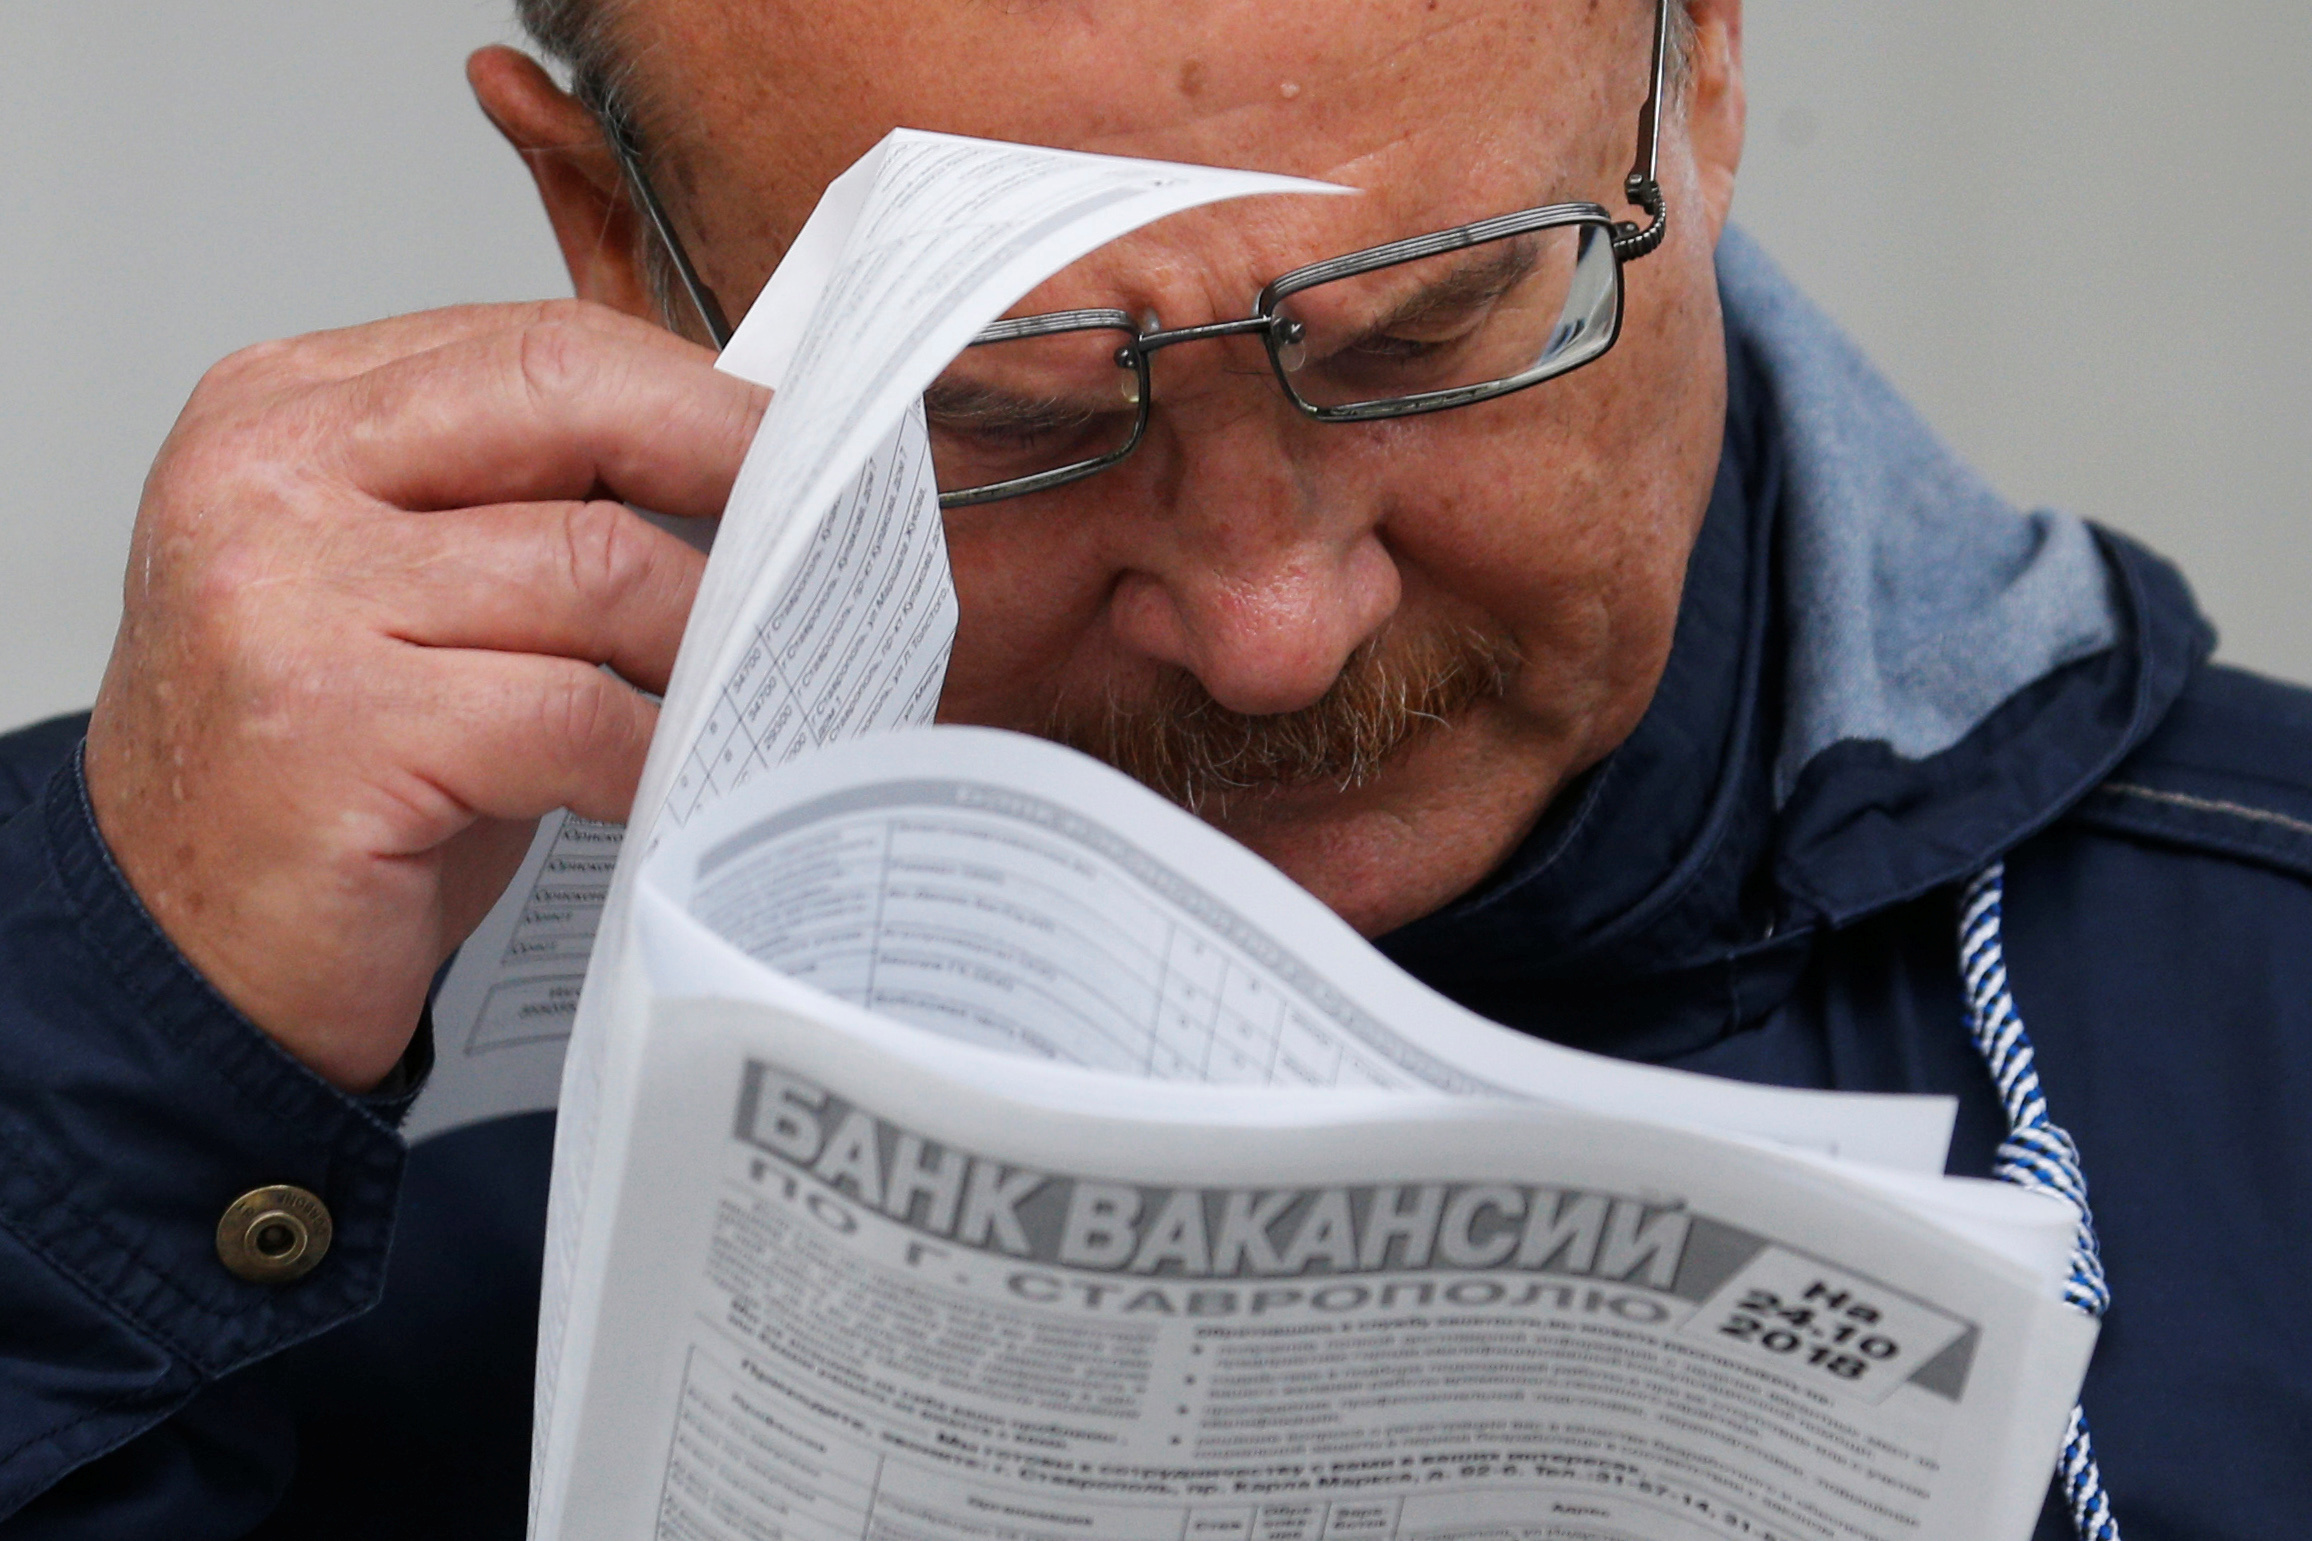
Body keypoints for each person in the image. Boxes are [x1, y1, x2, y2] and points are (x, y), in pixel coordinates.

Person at [0, 0, 2305, 1535]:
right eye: (1001, 402)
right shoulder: (217, 1008)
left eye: (1431, 331)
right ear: (614, 234)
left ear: (1698, 68)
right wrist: (127, 1069)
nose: (1270, 623)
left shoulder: (2265, 1003)